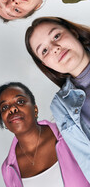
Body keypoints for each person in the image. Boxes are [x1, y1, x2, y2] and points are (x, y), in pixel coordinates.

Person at [25, 16, 90, 182]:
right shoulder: (61, 106)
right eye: (44, 51)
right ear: (46, 65)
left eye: (56, 36)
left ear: (73, 32)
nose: (54, 48)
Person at [0, 82, 89, 187]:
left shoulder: (69, 133)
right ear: (3, 121)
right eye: (4, 107)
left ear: (35, 110)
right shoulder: (8, 169)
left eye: (20, 101)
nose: (12, 109)